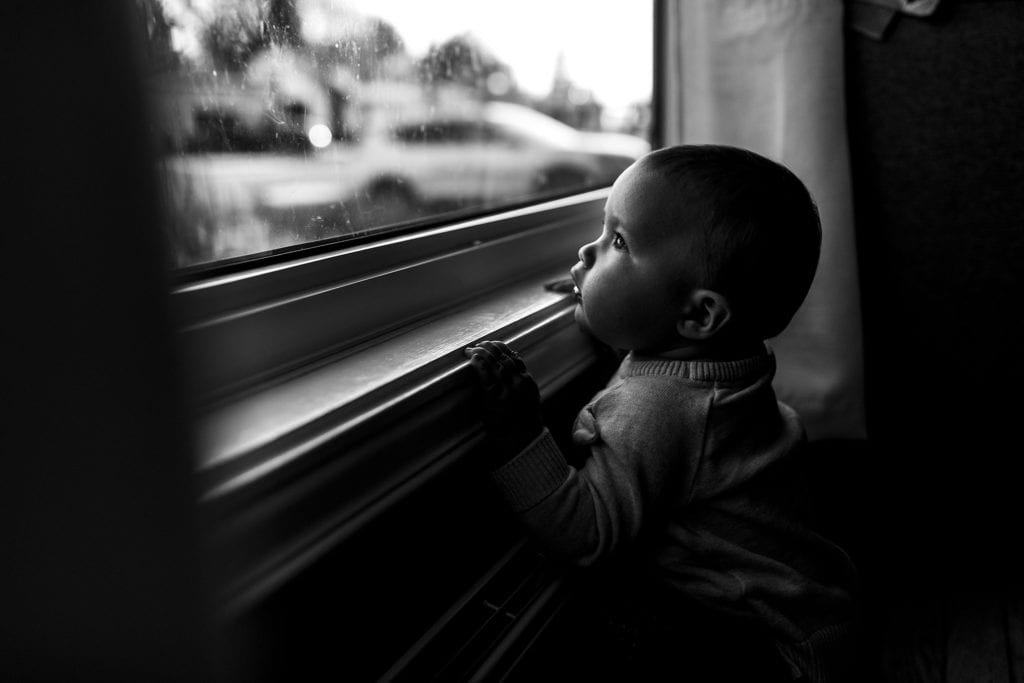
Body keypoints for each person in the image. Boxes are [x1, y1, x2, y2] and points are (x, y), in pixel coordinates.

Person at [464, 145, 858, 682]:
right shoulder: (725, 367)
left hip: (765, 647)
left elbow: (583, 533)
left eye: (617, 242)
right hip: (813, 608)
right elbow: (656, 363)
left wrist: (520, 434)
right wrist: (603, 297)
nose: (587, 250)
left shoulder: (662, 410)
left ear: (699, 313)